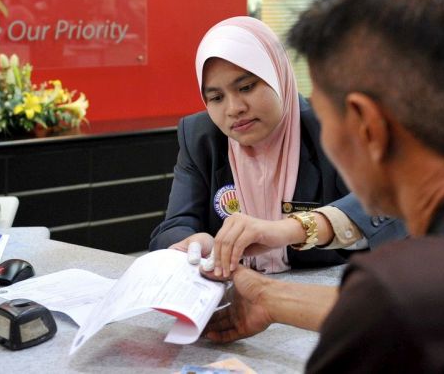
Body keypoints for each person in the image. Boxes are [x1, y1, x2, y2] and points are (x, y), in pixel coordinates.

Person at [202, 0, 444, 372]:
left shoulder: (392, 295)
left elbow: (398, 309)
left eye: (325, 113)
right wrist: (269, 297)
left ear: (368, 126)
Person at [149, 16, 405, 274]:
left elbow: (387, 203)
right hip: (236, 294)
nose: (234, 109)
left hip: (320, 298)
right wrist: (192, 244)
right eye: (216, 97)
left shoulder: (331, 125)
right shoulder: (201, 137)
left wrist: (290, 229)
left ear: (277, 75)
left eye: (247, 87)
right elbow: (174, 226)